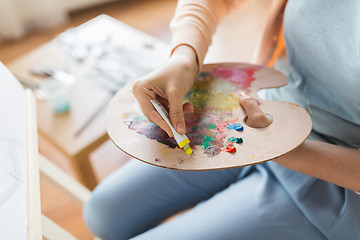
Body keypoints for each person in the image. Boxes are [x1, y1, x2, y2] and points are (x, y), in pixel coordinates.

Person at [83, 0, 360, 239]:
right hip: (254, 112)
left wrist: (282, 148)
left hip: (332, 184)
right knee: (102, 213)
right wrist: (185, 54)